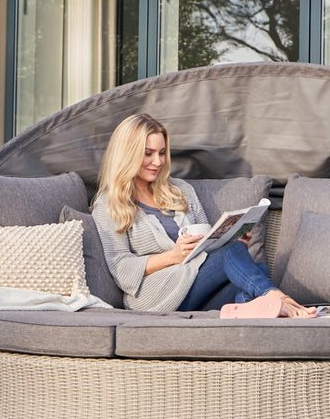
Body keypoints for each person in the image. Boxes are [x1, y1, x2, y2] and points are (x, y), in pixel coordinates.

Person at [91, 113, 315, 317]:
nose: (158, 162)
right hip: (156, 296)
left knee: (255, 269)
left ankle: (242, 314)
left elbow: (207, 243)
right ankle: (277, 297)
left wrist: (232, 239)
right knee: (243, 265)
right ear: (127, 154)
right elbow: (120, 268)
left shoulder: (181, 191)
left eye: (161, 153)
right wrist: (174, 256)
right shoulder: (110, 203)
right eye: (148, 154)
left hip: (196, 286)